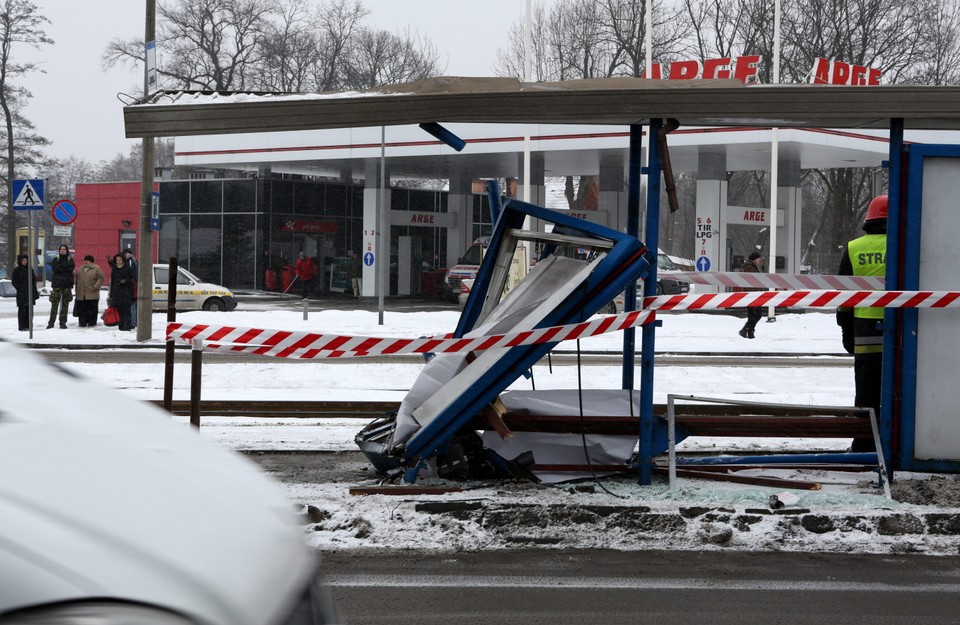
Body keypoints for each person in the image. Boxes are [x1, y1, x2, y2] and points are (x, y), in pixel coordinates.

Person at [837, 194, 887, 452]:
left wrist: (846, 329)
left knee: (866, 392)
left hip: (865, 330)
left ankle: (864, 445)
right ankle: (892, 443)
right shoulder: (905, 246)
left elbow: (844, 294)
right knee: (896, 391)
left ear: (869, 218)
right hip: (900, 332)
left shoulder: (855, 247)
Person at [47, 245, 75, 329]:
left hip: (67, 285)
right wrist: (64, 269)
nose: (62, 251)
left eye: (64, 249)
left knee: (65, 305)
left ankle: (63, 322)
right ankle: (51, 323)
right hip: (57, 285)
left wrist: (62, 269)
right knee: (54, 304)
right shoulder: (56, 260)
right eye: (61, 249)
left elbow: (70, 269)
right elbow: (55, 269)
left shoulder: (70, 260)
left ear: (67, 251)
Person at [75, 255, 106, 328]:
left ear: (91, 261)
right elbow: (78, 280)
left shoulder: (96, 268)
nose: (86, 261)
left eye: (88, 260)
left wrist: (95, 287)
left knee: (92, 310)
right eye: (85, 260)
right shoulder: (81, 268)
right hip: (81, 294)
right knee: (82, 310)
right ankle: (82, 323)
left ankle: (92, 324)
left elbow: (101, 278)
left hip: (92, 293)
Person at [738, 251, 764, 339]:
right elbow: (753, 278)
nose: (760, 260)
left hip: (756, 295)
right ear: (754, 259)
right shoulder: (749, 267)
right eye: (759, 258)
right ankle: (746, 331)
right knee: (754, 315)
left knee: (756, 315)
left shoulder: (753, 267)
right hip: (751, 295)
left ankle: (748, 331)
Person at [108, 253, 136, 331]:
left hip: (126, 294)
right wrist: (111, 295)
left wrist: (126, 281)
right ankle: (120, 326)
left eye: (120, 260)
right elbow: (113, 282)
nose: (118, 261)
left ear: (123, 260)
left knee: (126, 311)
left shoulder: (128, 268)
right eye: (117, 260)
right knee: (119, 312)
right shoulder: (114, 269)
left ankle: (127, 326)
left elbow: (133, 280)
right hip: (116, 294)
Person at [12, 254, 38, 331]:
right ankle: (22, 326)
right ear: (20, 261)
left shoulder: (30, 269)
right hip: (22, 294)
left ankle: (29, 326)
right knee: (22, 311)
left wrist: (35, 292)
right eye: (23, 260)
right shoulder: (17, 270)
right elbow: (14, 281)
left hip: (30, 293)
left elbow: (33, 281)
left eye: (26, 260)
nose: (25, 262)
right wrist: (20, 289)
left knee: (29, 311)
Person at [122, 248, 139, 329]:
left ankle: (132, 322)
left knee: (132, 306)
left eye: (129, 253)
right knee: (129, 306)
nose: (127, 255)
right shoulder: (127, 261)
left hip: (131, 287)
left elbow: (135, 274)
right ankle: (130, 322)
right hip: (127, 287)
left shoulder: (132, 262)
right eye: (126, 253)